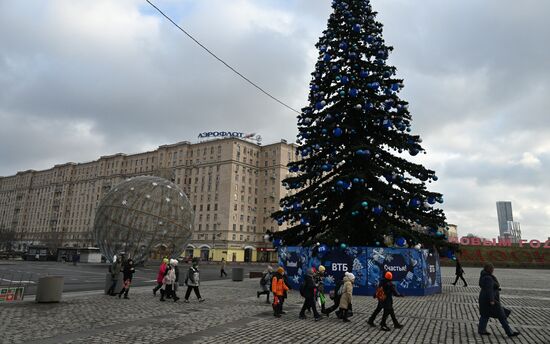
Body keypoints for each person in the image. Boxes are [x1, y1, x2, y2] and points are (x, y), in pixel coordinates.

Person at [478, 263, 520, 337]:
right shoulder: (489, 278)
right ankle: (509, 332)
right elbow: (489, 289)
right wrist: (491, 300)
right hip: (490, 300)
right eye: (492, 268)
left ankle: (481, 330)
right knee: (501, 315)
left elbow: (489, 287)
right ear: (489, 269)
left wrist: (496, 288)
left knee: (485, 315)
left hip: (483, 298)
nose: (493, 270)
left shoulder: (484, 276)